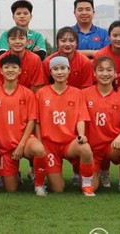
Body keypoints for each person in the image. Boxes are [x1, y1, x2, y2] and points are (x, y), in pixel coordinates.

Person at [0, 54, 46, 194]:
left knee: (39, 149)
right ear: (0, 71)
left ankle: (40, 184)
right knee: (11, 189)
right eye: (6, 67)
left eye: (14, 67)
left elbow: (32, 120)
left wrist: (21, 145)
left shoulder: (28, 93)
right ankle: (15, 176)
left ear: (20, 71)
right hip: (5, 147)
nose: (10, 70)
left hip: (24, 143)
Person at [35, 56, 96, 196]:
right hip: (49, 144)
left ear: (69, 70)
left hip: (69, 143)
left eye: (63, 68)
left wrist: (81, 135)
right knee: (58, 188)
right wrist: (40, 142)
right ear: (50, 72)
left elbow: (81, 118)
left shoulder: (77, 93)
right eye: (55, 69)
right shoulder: (41, 93)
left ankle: (87, 185)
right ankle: (39, 180)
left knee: (85, 148)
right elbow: (37, 121)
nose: (59, 72)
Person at [82, 57, 120, 194]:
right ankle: (99, 172)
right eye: (100, 70)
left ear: (115, 74)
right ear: (94, 73)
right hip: (91, 149)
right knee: (91, 188)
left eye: (109, 70)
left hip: (112, 146)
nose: (105, 74)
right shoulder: (84, 94)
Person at [0, 26, 42, 91]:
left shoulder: (35, 59)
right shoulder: (0, 60)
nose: (17, 42)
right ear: (8, 42)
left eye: (21, 38)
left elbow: (36, 86)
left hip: (28, 98)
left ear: (27, 41)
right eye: (13, 39)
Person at [93, 21, 120, 88]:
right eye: (115, 35)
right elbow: (95, 81)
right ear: (109, 36)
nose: (118, 39)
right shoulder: (100, 55)